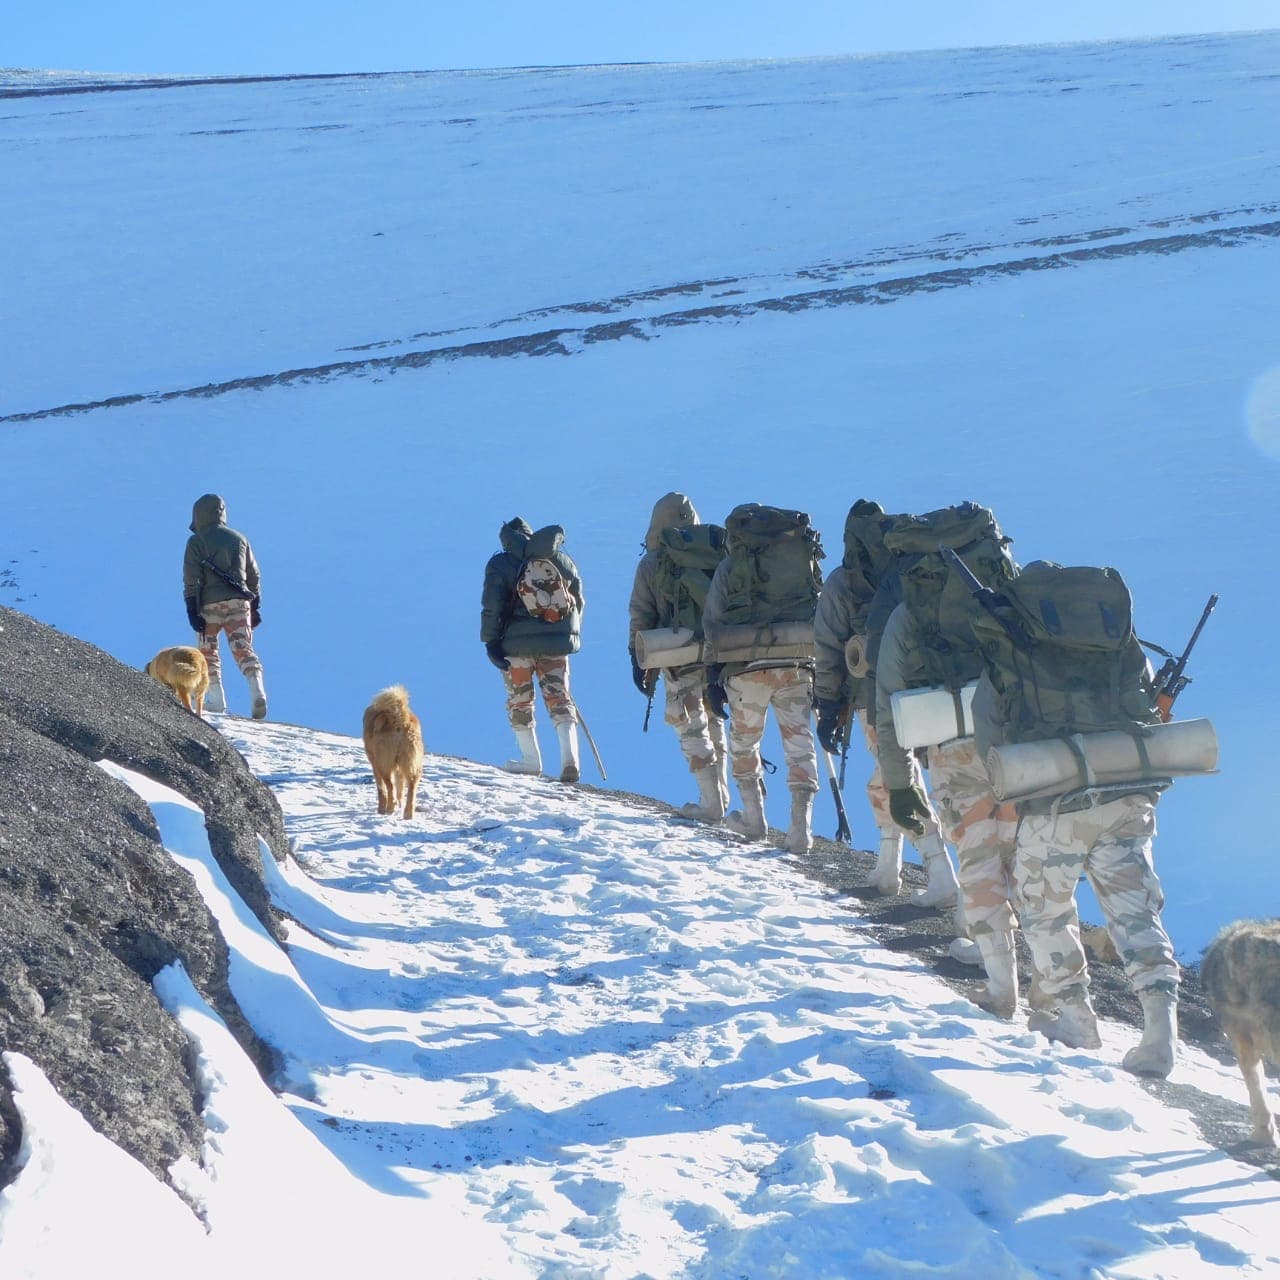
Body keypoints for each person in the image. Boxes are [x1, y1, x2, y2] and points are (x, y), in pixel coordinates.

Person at [968, 560, 1181, 1075]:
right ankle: (1160, 1033)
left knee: (1046, 908)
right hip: (1126, 794)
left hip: (1055, 799)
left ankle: (1075, 1015)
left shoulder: (1014, 653)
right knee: (1135, 910)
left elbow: (988, 737)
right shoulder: (1121, 646)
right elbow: (1147, 712)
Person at [874, 502, 1021, 1017]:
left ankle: (1001, 982)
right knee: (1025, 857)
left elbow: (888, 702)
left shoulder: (908, 613)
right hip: (1020, 737)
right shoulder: (1009, 586)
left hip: (953, 743)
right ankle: (1056, 989)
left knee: (979, 858)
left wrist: (899, 782)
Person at [814, 500, 956, 904]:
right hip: (929, 688)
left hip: (872, 696)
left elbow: (826, 647)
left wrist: (826, 705)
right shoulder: (911, 569)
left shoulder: (844, 581)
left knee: (896, 778)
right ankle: (888, 865)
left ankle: (939, 871)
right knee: (891, 777)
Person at [703, 503, 823, 854]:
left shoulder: (731, 566)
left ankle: (755, 821)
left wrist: (713, 676)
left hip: (747, 668)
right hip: (797, 660)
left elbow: (712, 622)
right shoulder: (803, 558)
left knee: (744, 743)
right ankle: (801, 829)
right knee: (800, 744)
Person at [628, 493, 729, 820]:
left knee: (688, 724)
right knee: (716, 720)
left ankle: (709, 801)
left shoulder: (652, 562)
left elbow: (641, 614)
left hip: (678, 654)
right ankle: (721, 796)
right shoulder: (717, 555)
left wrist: (637, 658)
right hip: (720, 652)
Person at [480, 517, 584, 782]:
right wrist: (566, 633)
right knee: (559, 697)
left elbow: (493, 607)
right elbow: (577, 602)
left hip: (516, 646)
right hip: (555, 645)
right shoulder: (561, 560)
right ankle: (570, 759)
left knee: (520, 700)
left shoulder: (500, 563)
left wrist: (491, 642)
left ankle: (530, 760)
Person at [182, 493, 266, 719]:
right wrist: (254, 605)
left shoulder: (196, 541)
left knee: (207, 652)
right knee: (243, 648)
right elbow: (253, 575)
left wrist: (192, 608)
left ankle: (216, 701)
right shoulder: (239, 538)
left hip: (209, 605)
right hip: (240, 601)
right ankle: (257, 689)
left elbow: (191, 578)